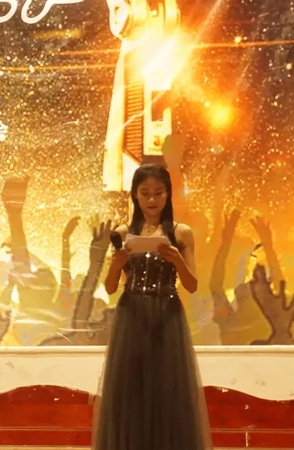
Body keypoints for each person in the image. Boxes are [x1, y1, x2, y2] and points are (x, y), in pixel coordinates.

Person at [93, 163, 212, 449]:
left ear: (168, 194)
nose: (151, 199)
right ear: (135, 194)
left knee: (168, 389)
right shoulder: (123, 232)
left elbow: (192, 285)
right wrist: (116, 264)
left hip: (167, 316)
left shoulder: (182, 233)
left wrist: (177, 259)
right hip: (131, 316)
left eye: (158, 192)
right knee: (130, 390)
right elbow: (110, 288)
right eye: (145, 192)